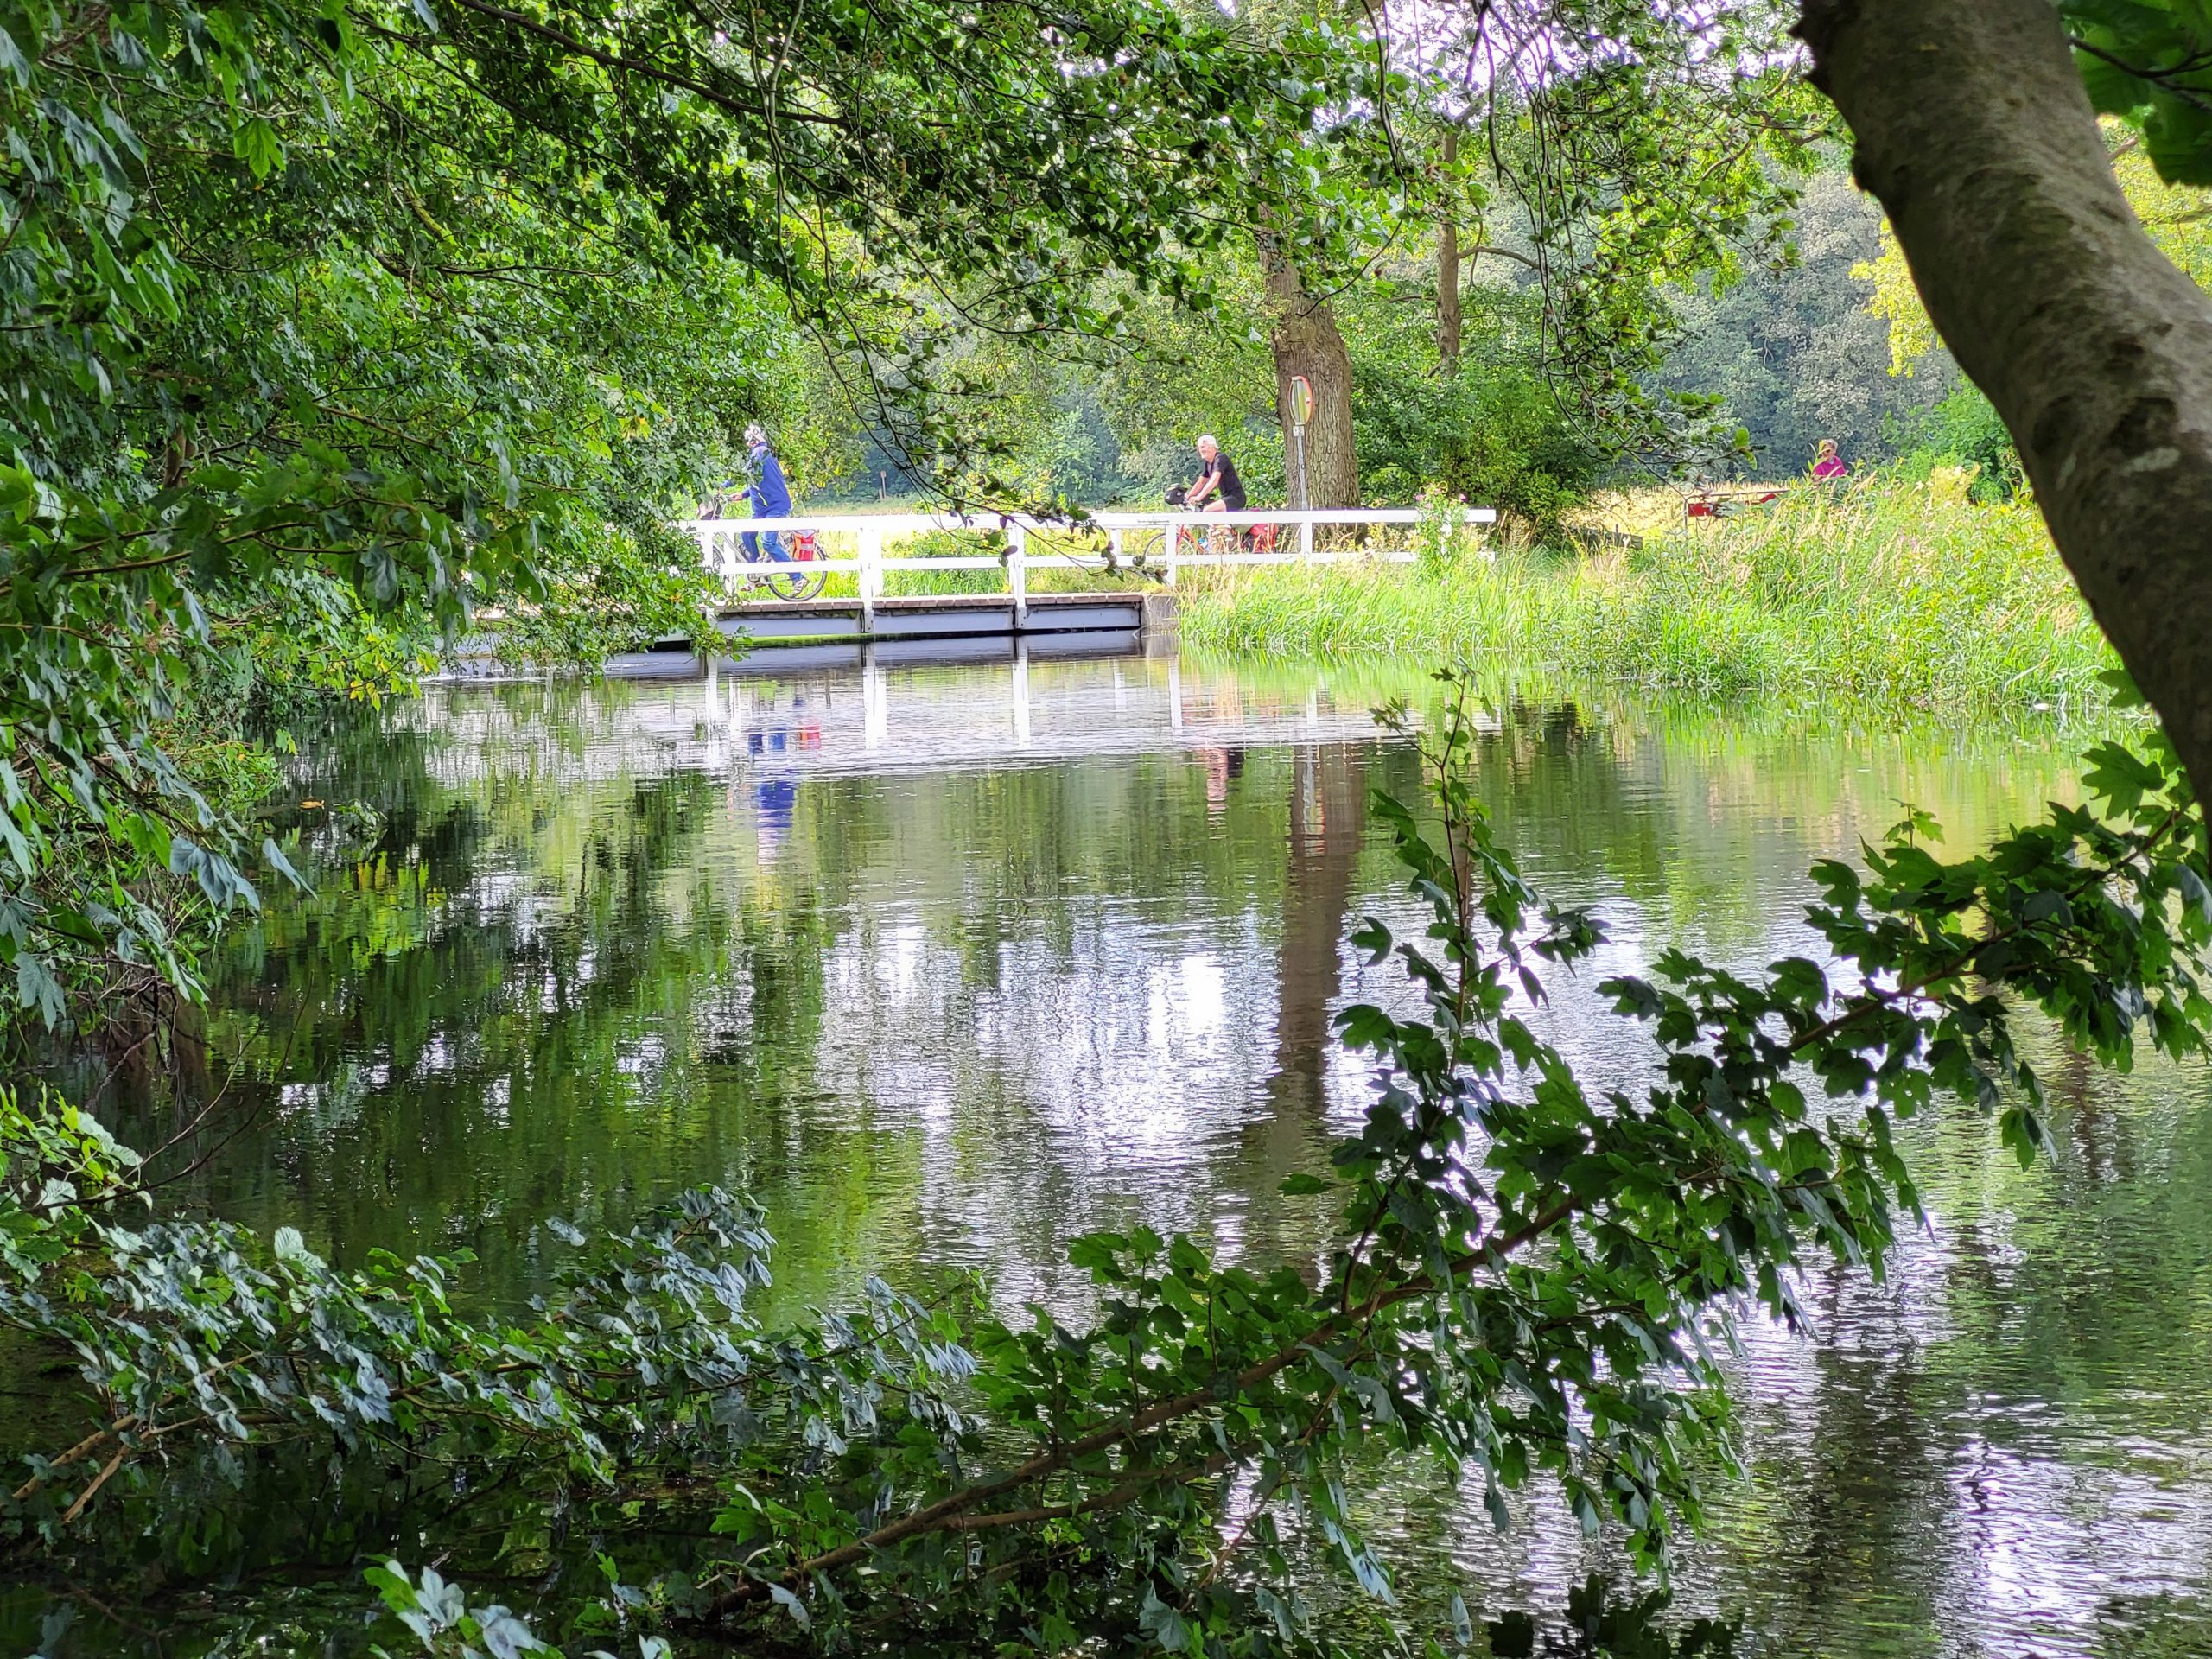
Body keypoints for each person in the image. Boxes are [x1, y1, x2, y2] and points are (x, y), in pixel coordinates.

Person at [741, 423, 793, 563]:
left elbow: (744, 474)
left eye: (748, 440)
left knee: (768, 543)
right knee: (747, 533)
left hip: (775, 507)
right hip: (764, 508)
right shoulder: (764, 453)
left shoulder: (759, 453)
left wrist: (723, 485)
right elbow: (761, 482)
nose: (747, 444)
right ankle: (755, 574)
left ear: (753, 440)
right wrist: (743, 494)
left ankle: (797, 577)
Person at [1184, 434, 1247, 515]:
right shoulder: (1208, 463)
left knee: (1207, 511)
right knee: (1212, 519)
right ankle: (1223, 527)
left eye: (1203, 447)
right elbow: (1201, 482)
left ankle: (1223, 527)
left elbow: (1214, 480)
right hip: (1225, 497)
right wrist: (1188, 497)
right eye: (1199, 447)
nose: (1200, 450)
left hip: (1236, 498)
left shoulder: (1220, 459)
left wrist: (1199, 497)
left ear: (1211, 447)